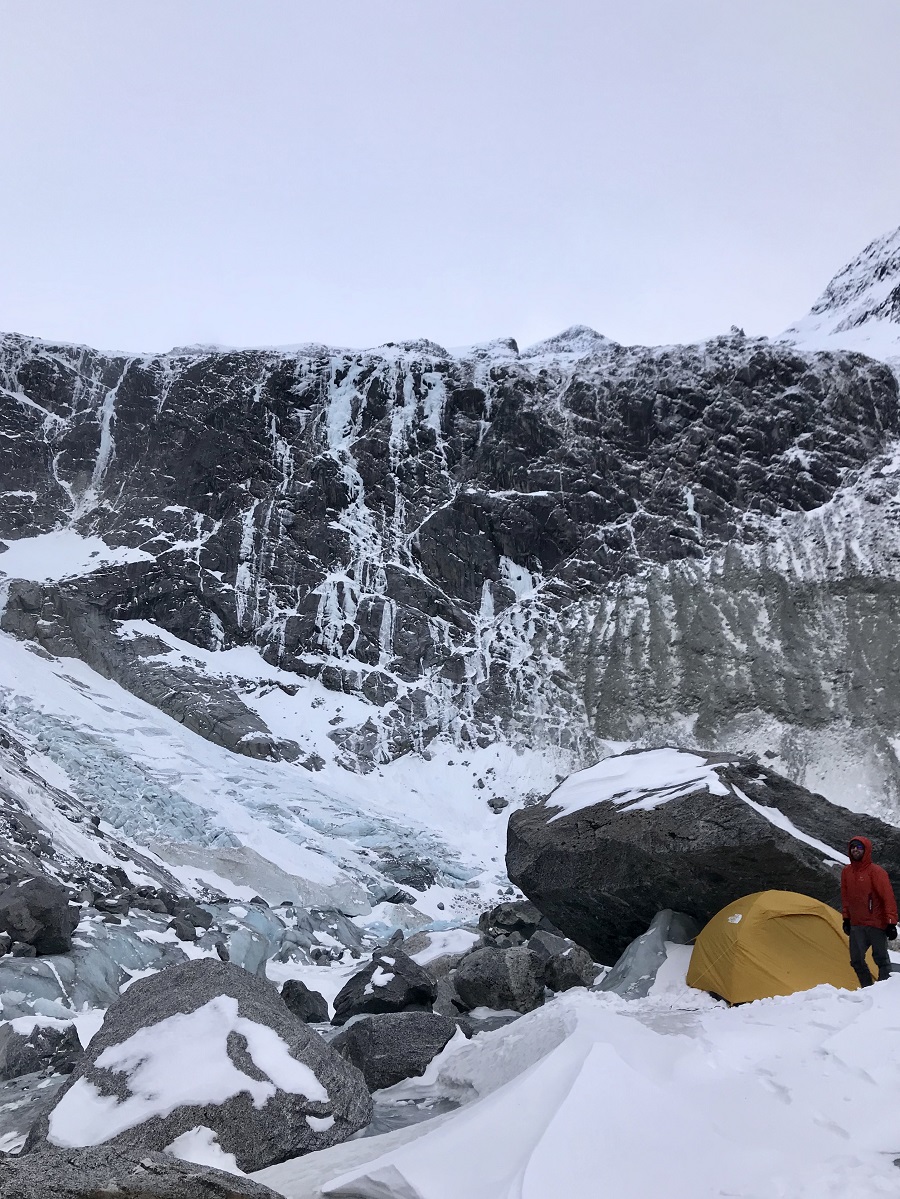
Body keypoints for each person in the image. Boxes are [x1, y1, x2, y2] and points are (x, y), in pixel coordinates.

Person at [841, 835, 898, 987]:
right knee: (856, 960)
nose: (855, 850)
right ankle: (868, 989)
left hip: (876, 924)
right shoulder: (847, 872)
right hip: (856, 924)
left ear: (866, 850)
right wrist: (846, 918)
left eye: (859, 847)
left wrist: (891, 922)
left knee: (881, 959)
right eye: (852, 847)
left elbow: (888, 897)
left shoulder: (876, 872)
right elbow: (846, 897)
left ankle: (884, 990)